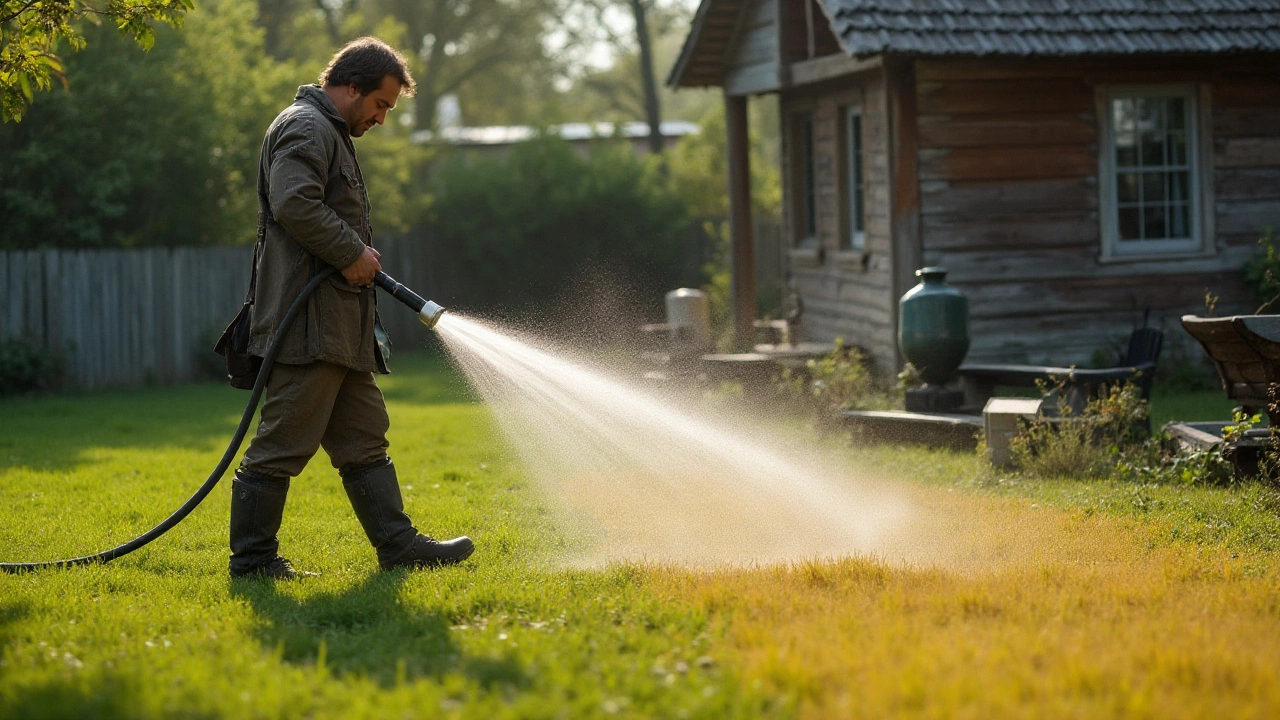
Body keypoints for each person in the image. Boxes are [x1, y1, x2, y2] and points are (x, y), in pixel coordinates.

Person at [230, 37, 474, 579]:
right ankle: (251, 563)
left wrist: (352, 257)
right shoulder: (306, 126)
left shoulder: (328, 131)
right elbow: (294, 201)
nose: (383, 118)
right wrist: (351, 252)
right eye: (381, 104)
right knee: (281, 444)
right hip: (308, 325)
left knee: (364, 435)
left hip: (338, 327)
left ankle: (398, 547)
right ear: (351, 87)